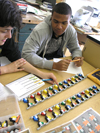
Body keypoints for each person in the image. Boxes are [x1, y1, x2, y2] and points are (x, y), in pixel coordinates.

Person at [0, 0, 58, 85]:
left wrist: (41, 74)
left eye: (11, 30)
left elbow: (19, 60)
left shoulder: (7, 39)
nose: (9, 36)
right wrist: (6, 69)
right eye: (4, 31)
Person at [22, 2, 83, 71]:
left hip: (58, 65)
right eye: (56, 21)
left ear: (69, 22)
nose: (59, 27)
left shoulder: (71, 30)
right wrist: (53, 65)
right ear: (51, 18)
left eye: (64, 23)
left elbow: (75, 48)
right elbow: (27, 54)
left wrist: (77, 56)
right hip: (38, 65)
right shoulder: (40, 30)